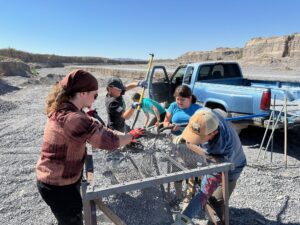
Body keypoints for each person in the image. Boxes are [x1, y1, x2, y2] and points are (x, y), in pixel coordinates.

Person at [36, 70, 144, 225]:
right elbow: (108, 140)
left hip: (58, 179)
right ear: (82, 93)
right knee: (72, 220)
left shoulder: (66, 109)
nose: (95, 98)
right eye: (95, 95)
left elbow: (101, 130)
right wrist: (131, 135)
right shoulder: (74, 118)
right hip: (58, 185)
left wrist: (126, 137)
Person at [173, 108, 247, 225]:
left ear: (214, 133)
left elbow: (205, 191)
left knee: (215, 201)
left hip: (231, 167)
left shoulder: (221, 146)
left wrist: (184, 218)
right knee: (205, 195)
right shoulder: (204, 115)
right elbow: (196, 124)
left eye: (200, 138)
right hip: (211, 158)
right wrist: (183, 132)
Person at [164, 85, 201, 200]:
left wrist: (187, 127)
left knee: (192, 170)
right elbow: (165, 121)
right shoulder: (173, 106)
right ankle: (179, 195)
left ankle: (191, 195)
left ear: (189, 98)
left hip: (191, 144)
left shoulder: (198, 109)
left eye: (182, 100)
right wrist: (169, 126)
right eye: (177, 99)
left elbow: (201, 127)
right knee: (177, 170)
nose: (179, 102)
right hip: (176, 143)